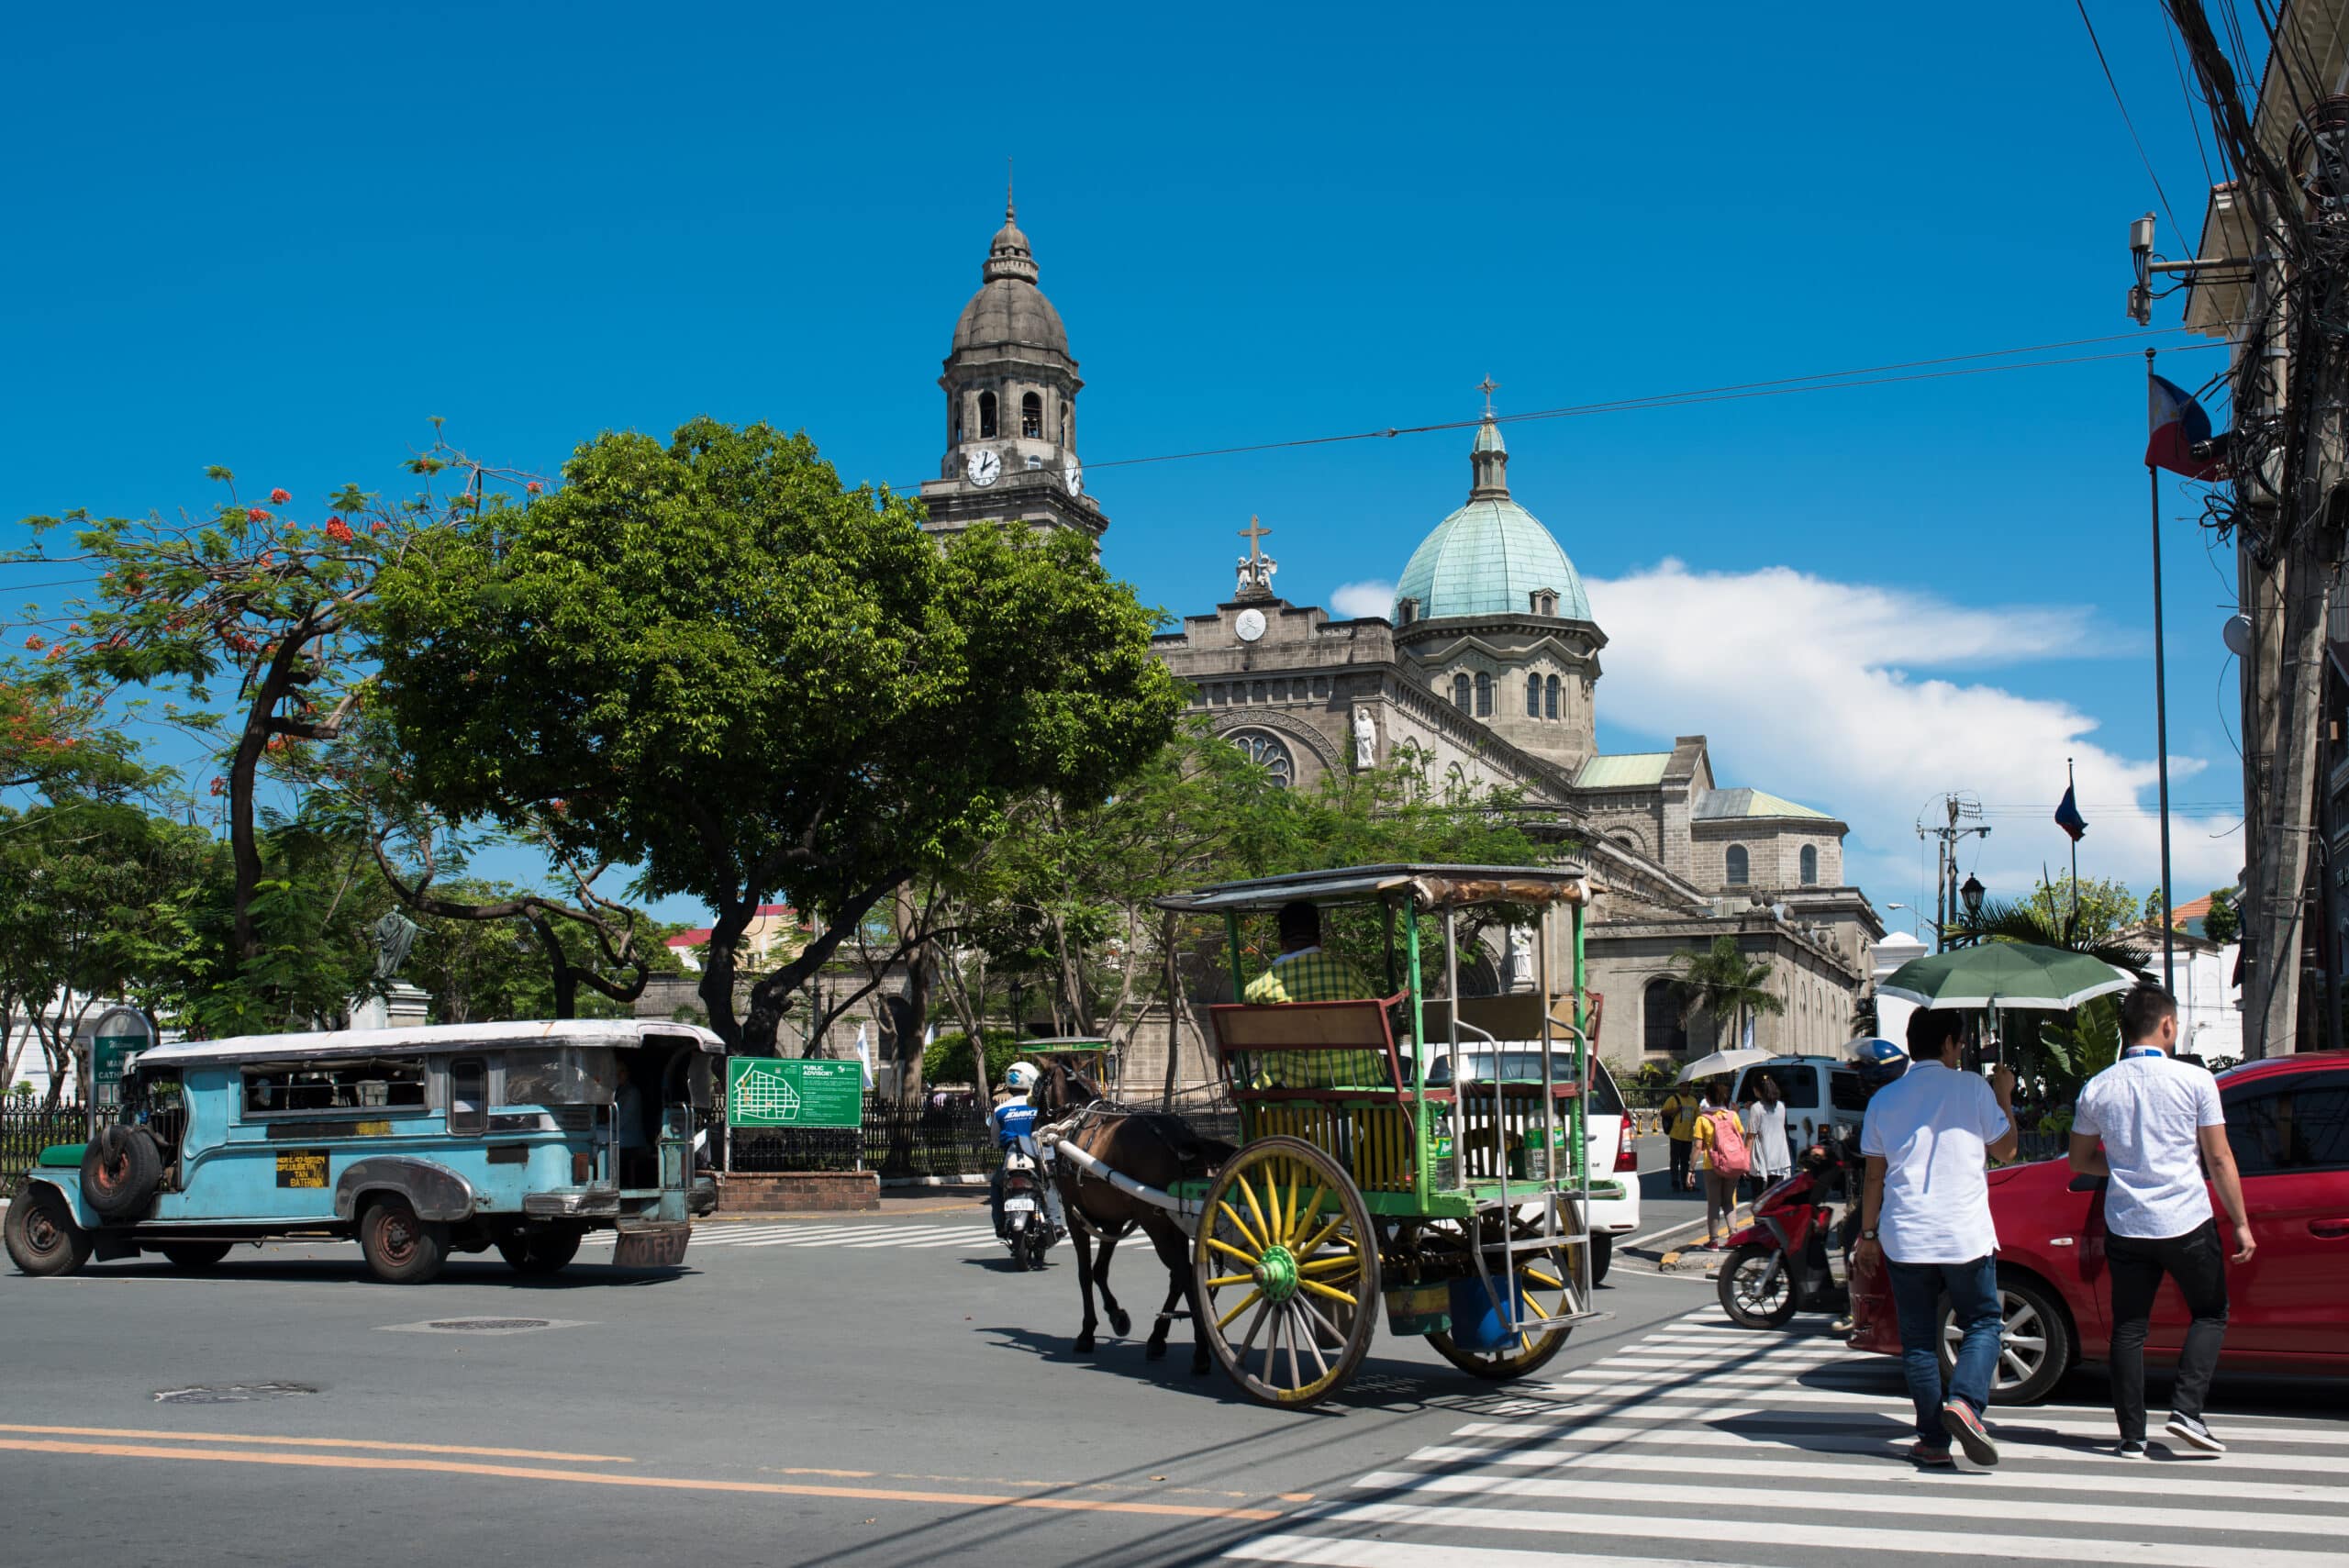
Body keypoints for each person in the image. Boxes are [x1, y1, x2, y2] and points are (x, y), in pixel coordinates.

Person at [2069, 983, 2254, 1457]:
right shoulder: (2196, 1082)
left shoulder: (2098, 1087)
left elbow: (2080, 1160)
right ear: (2168, 1025)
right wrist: (2240, 1221)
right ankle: (2188, 1411)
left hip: (2128, 1224)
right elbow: (2218, 1158)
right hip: (2187, 1220)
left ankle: (2132, 1436)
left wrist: (2126, 1167)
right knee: (2210, 1312)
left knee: (2129, 1328)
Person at [1857, 1010, 2016, 1468]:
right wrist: (2003, 1096)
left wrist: (1867, 1235)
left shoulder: (1885, 1099)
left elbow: (1873, 1178)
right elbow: (2006, 1150)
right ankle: (1965, 1402)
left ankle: (1932, 1439)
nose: (1962, 1050)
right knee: (1984, 1321)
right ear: (1949, 1042)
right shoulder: (1972, 1087)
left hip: (1905, 1234)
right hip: (1963, 1233)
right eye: (1961, 1042)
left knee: (1920, 1340)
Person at [1241, 900, 1385, 1086]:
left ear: (1281, 942)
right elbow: (1375, 1026)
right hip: (1360, 1079)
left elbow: (1254, 1047)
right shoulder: (1349, 974)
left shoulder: (1259, 988)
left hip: (1297, 1082)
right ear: (1319, 939)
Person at [986, 1061, 1065, 1237]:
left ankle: (999, 1223)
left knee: (996, 1185)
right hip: (1038, 1157)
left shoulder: (1000, 1109)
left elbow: (995, 1138)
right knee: (1049, 1183)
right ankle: (1056, 1222)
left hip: (1011, 1159)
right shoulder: (1039, 1106)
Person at [1693, 1080, 1743, 1249]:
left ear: (1707, 1098)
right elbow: (1740, 1135)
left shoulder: (1703, 1119)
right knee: (1729, 1201)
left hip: (1711, 1164)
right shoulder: (1733, 1116)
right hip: (1732, 1163)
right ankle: (1733, 1235)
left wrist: (1690, 1169)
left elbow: (1698, 1146)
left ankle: (1713, 1240)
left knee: (1714, 1203)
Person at [1742, 1073, 1790, 1200]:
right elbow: (1769, 1119)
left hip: (1761, 1160)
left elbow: (1751, 1136)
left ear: (1757, 1090)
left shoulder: (1756, 1108)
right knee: (1775, 1200)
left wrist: (1745, 1161)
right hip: (1780, 1160)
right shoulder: (1781, 1106)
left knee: (1759, 1201)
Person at [1660, 1084, 1698, 1192]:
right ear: (1680, 1087)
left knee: (1686, 1162)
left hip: (1688, 1136)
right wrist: (1675, 1110)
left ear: (1690, 1088)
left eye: (1687, 1087)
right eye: (1683, 1086)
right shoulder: (1673, 1099)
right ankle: (1675, 1183)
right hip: (1676, 1135)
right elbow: (1663, 1113)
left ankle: (1686, 1183)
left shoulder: (1693, 1101)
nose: (1685, 1088)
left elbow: (1697, 1116)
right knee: (1675, 1161)